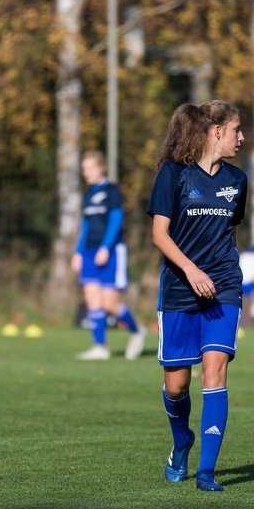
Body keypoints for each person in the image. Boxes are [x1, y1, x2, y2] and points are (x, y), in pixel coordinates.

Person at [149, 100, 248, 492]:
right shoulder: (174, 174)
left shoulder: (238, 180)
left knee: (215, 371)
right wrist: (191, 270)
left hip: (223, 286)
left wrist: (223, 274)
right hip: (179, 288)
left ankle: (207, 472)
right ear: (216, 131)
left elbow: (231, 233)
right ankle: (181, 441)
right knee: (176, 386)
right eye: (237, 129)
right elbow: (159, 234)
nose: (242, 137)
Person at [72, 150, 147, 360]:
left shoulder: (112, 191)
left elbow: (116, 220)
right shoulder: (87, 195)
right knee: (92, 301)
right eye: (84, 169)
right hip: (89, 251)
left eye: (90, 168)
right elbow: (85, 225)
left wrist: (106, 247)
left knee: (109, 304)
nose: (86, 172)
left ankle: (137, 330)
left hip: (112, 251)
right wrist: (78, 252)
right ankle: (100, 347)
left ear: (102, 167)